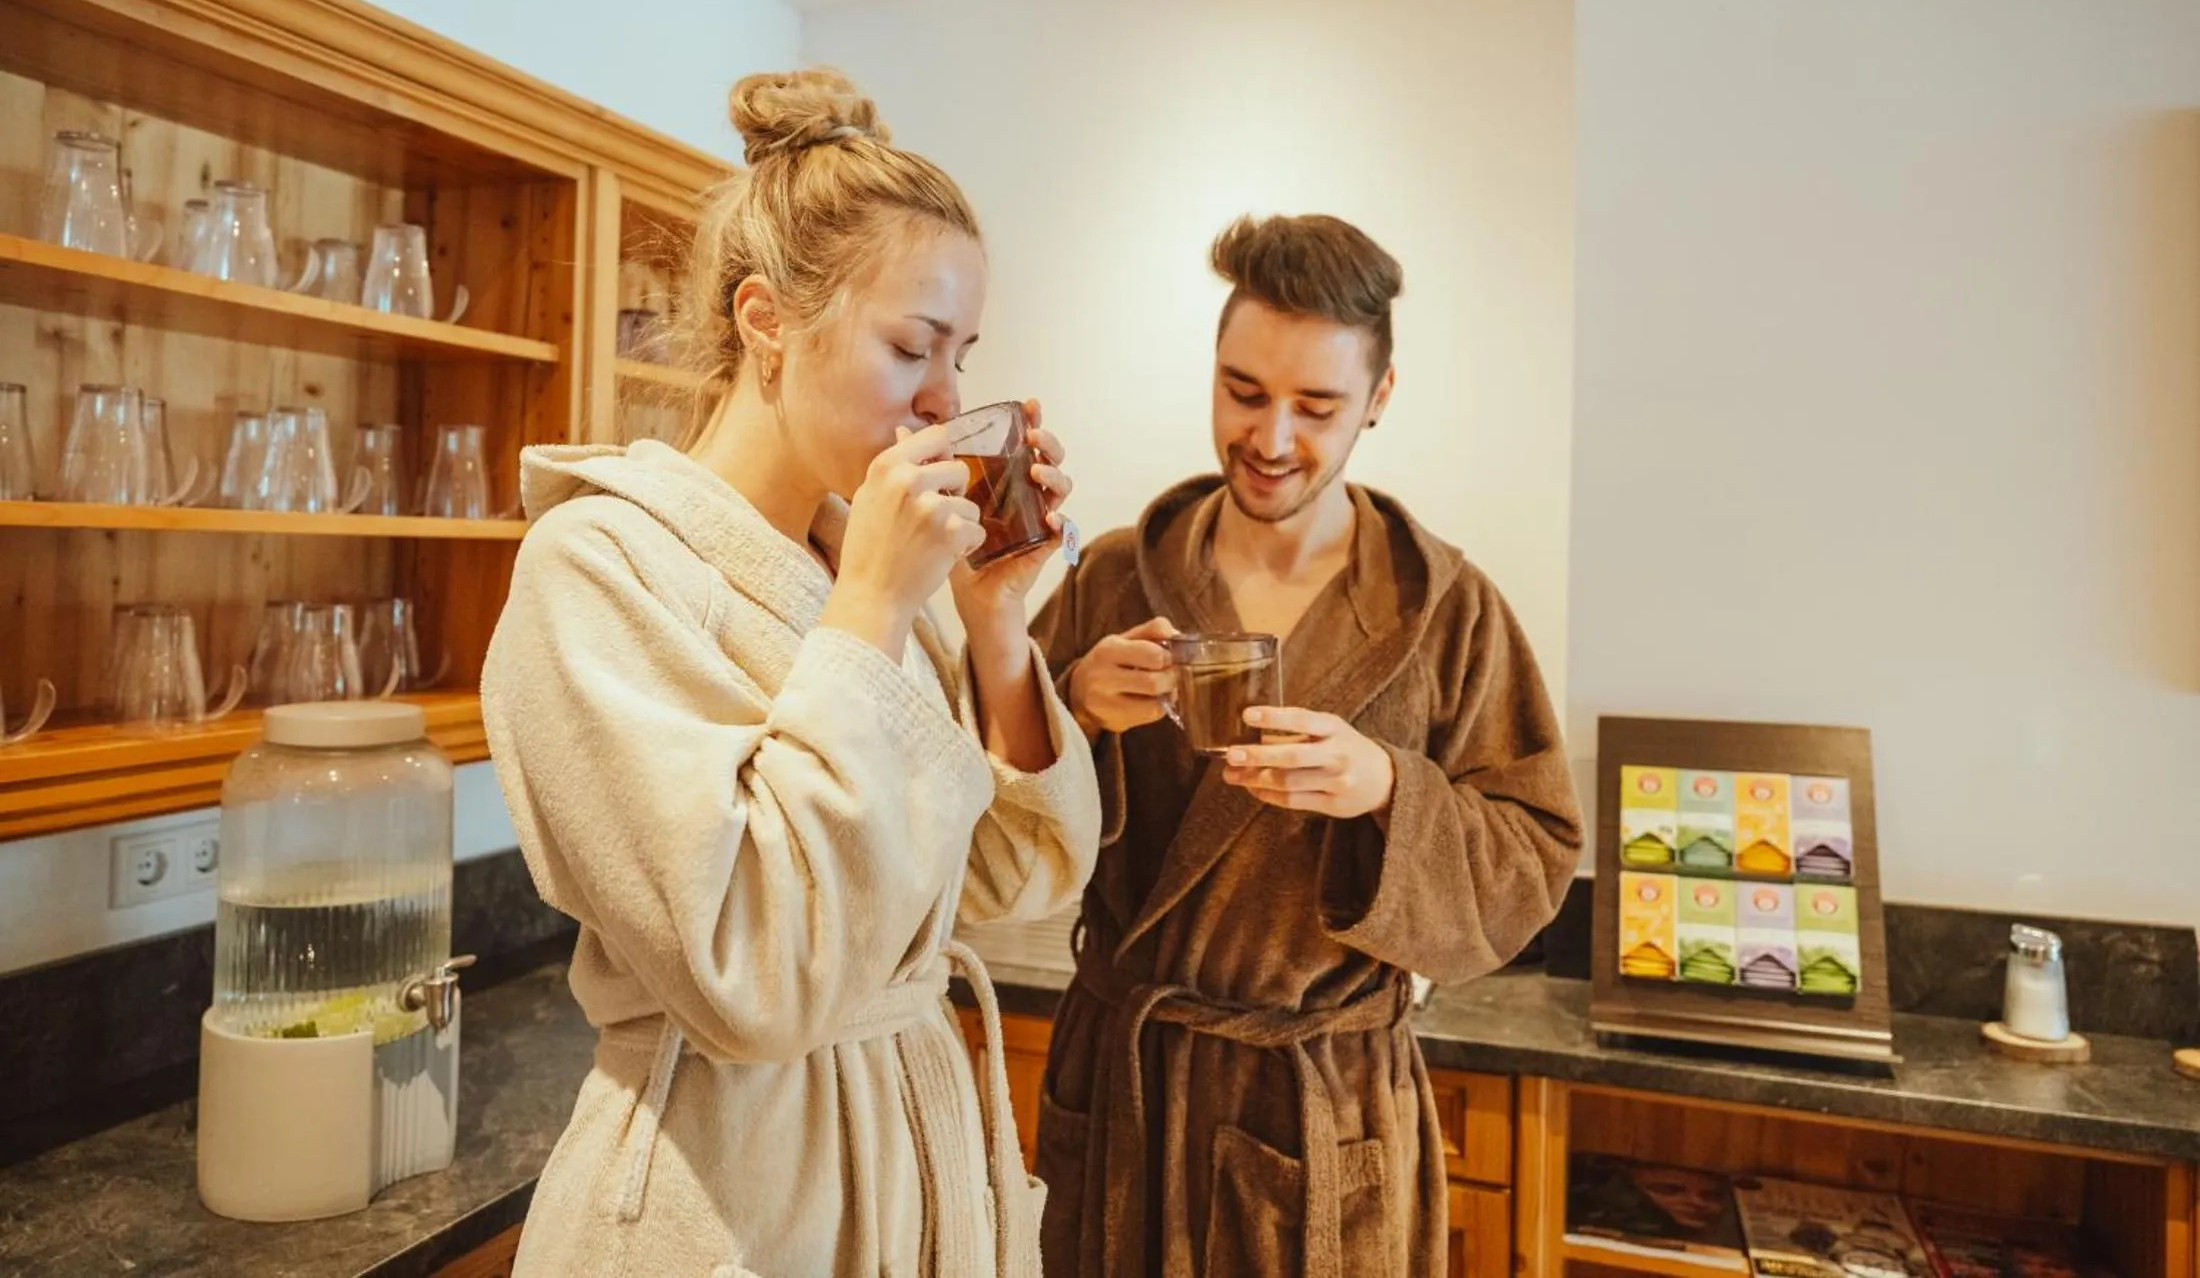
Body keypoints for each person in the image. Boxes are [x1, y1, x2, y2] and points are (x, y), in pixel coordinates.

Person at [482, 69, 1100, 1278]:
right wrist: (871, 606)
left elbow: (1013, 880)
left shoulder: (864, 568)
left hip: (918, 1144)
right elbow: (751, 974)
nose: (945, 401)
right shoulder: (600, 566)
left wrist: (992, 625)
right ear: (767, 322)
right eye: (912, 346)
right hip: (736, 1190)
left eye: (962, 355)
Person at [1031, 214, 1583, 1277]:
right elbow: (993, 806)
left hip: (1320, 1110)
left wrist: (1388, 790)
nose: (1271, 438)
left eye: (1315, 406)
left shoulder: (1444, 611)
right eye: (1243, 392)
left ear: (1378, 399)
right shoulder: (1112, 578)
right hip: (1124, 1091)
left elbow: (1534, 858)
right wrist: (1073, 713)